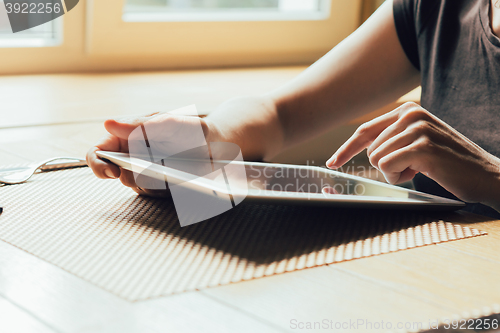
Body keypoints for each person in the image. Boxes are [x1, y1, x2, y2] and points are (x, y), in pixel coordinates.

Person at [87, 0, 500, 218]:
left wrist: (489, 177)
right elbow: (281, 114)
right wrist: (203, 141)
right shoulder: (437, 7)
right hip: (432, 270)